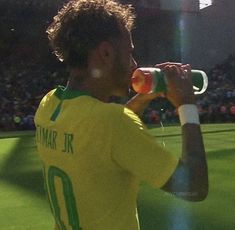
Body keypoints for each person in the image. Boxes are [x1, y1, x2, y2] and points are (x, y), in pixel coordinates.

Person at [34, 1, 208, 229]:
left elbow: (99, 141)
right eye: (130, 53)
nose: (134, 64)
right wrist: (187, 105)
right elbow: (194, 186)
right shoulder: (112, 122)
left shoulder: (49, 104)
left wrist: (142, 99)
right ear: (106, 53)